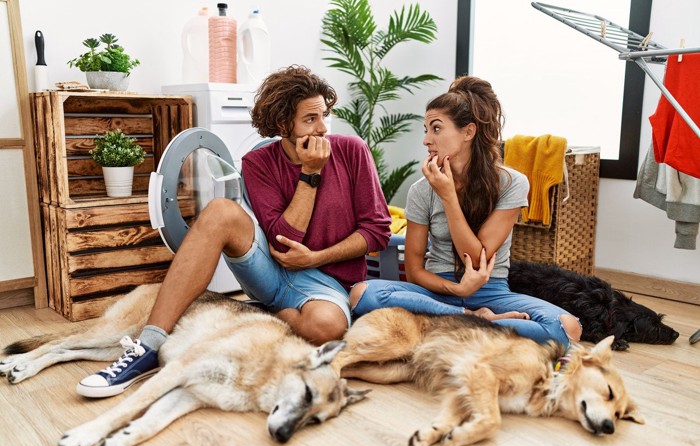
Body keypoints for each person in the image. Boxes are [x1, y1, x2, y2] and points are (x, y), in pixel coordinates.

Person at [78, 66, 391, 398]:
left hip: (328, 283)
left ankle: (261, 314)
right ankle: (147, 349)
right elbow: (287, 239)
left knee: (327, 327)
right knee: (221, 211)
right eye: (310, 119)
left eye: (324, 116)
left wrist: (317, 257)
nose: (323, 128)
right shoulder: (257, 163)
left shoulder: (351, 151)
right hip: (272, 270)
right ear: (283, 124)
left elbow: (377, 230)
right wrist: (310, 174)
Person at [349, 76, 582, 347]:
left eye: (436, 129)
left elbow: (475, 257)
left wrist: (448, 197)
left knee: (568, 327)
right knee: (362, 293)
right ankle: (474, 321)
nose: (426, 140)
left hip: (492, 293)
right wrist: (458, 291)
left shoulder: (512, 183)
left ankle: (441, 326)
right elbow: (413, 271)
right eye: (425, 130)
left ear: (468, 132)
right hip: (435, 292)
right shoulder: (421, 190)